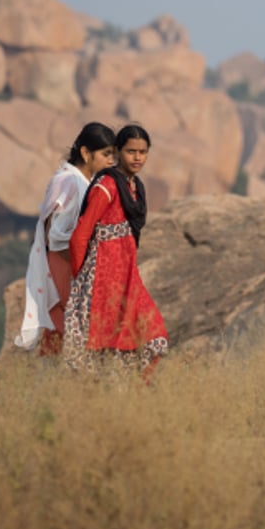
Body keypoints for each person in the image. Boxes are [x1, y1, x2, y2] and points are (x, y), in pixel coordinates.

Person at [63, 124, 168, 376]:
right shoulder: (108, 186)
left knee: (155, 336)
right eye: (131, 151)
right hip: (103, 280)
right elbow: (80, 234)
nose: (137, 157)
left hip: (128, 278)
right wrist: (81, 281)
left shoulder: (135, 188)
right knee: (107, 349)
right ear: (118, 152)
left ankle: (136, 396)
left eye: (143, 152)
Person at [15, 122, 117, 355]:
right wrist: (80, 262)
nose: (110, 161)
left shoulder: (85, 182)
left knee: (65, 329)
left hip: (72, 262)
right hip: (64, 262)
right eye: (105, 154)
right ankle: (52, 384)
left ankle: (54, 384)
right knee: (67, 326)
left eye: (113, 155)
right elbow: (55, 233)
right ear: (85, 152)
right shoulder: (69, 181)